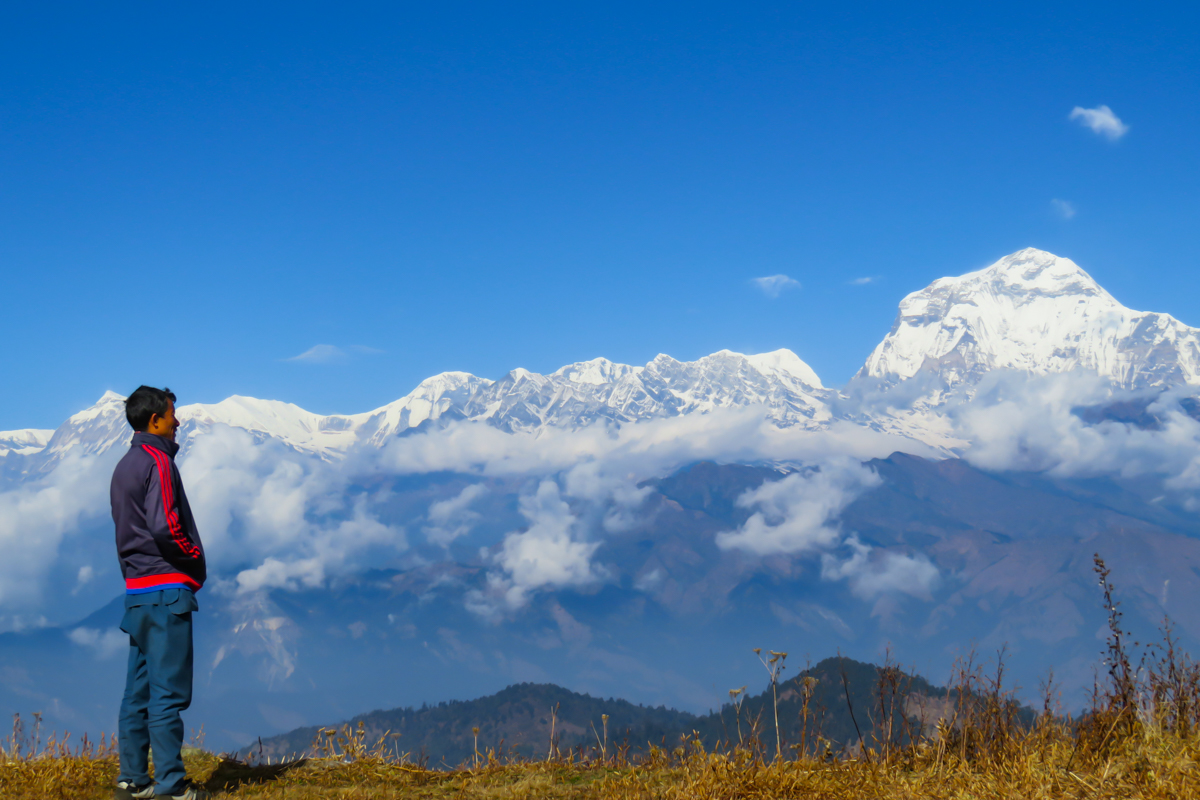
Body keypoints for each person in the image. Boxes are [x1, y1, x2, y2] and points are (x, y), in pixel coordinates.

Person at [110, 386, 210, 800]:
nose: (178, 421)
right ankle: (172, 785)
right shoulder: (159, 462)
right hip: (167, 590)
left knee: (138, 691)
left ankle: (132, 780)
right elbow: (165, 526)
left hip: (137, 593)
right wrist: (193, 560)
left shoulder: (124, 465)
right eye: (173, 414)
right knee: (169, 694)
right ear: (155, 421)